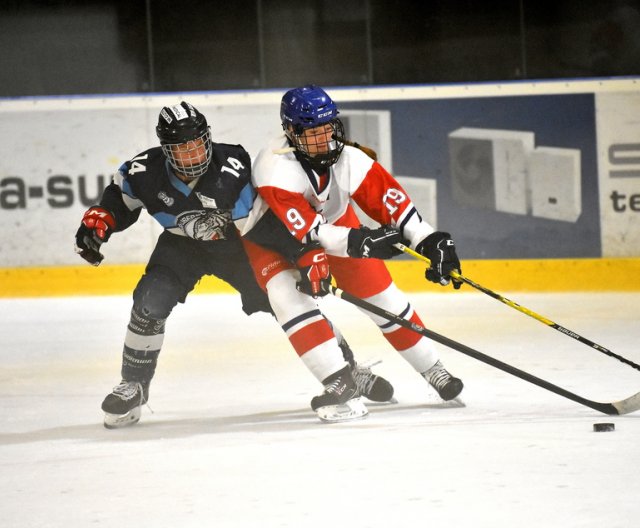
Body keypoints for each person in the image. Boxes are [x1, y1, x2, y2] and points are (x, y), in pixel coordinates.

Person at [74, 101, 391, 429]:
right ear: (165, 150)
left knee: (289, 303)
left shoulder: (231, 165)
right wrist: (102, 219)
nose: (193, 155)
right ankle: (134, 386)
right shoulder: (143, 172)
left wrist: (303, 252)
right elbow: (118, 200)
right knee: (148, 303)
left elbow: (263, 224)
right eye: (182, 149)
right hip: (181, 246)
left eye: (198, 145)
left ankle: (347, 369)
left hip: (239, 245)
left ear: (208, 139)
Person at [240, 85, 464, 422]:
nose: (324, 138)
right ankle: (338, 381)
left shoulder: (350, 159)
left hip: (336, 226)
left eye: (328, 127)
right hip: (273, 239)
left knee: (384, 298)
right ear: (290, 132)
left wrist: (430, 241)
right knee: (287, 297)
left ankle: (433, 369)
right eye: (312, 132)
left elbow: (396, 208)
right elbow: (308, 232)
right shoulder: (274, 168)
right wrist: (362, 241)